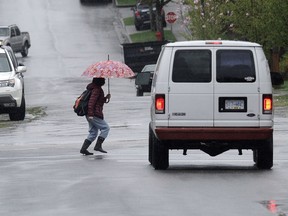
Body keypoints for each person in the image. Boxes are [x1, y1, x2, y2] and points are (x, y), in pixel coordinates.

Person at [80, 77, 111, 156]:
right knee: (105, 128)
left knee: (93, 132)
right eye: (103, 80)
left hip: (90, 113)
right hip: (94, 114)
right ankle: (98, 146)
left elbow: (97, 101)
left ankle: (83, 149)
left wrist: (105, 98)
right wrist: (90, 114)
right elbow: (91, 102)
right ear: (99, 81)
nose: (104, 81)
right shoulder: (97, 89)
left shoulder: (93, 88)